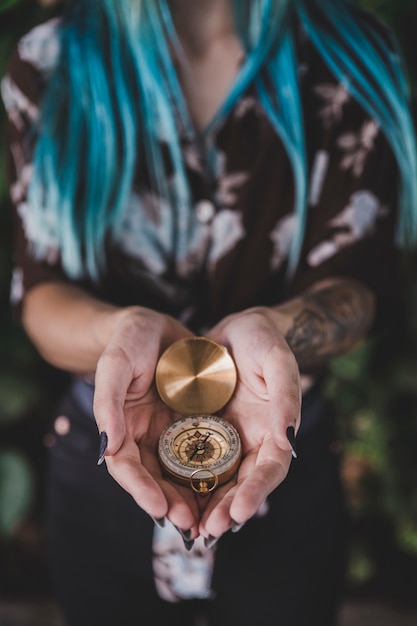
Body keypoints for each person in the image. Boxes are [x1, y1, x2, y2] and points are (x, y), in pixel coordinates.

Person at [1, 0, 417, 625]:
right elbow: (42, 294)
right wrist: (119, 334)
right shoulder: (53, 61)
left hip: (284, 455)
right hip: (109, 454)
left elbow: (359, 285)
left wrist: (276, 331)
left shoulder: (350, 57)